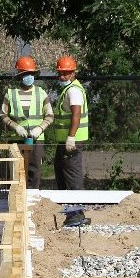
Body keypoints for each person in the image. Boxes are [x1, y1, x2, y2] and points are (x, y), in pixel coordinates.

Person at [0, 56, 54, 189]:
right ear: (20, 75)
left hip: (37, 139)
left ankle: (32, 195)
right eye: (26, 74)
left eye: (31, 74)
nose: (29, 76)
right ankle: (16, 196)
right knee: (16, 170)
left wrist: (40, 128)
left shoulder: (41, 93)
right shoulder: (10, 94)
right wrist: (16, 127)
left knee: (34, 171)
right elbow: (3, 115)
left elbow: (50, 115)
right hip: (16, 138)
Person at [52, 56, 89, 192]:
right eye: (60, 73)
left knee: (72, 174)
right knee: (61, 171)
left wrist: (71, 137)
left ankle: (77, 204)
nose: (62, 77)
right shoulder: (68, 89)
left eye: (65, 73)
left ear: (73, 73)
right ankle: (67, 204)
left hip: (72, 141)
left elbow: (76, 114)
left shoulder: (73, 91)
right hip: (65, 140)